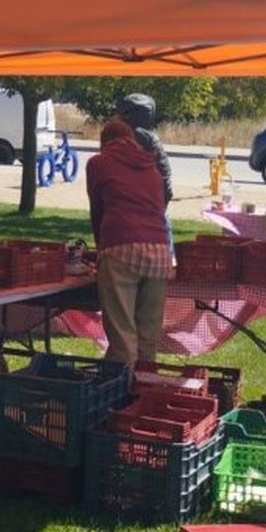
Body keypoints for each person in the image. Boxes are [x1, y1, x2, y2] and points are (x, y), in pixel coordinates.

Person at [85, 118, 171, 370]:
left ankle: (121, 395)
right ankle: (144, 394)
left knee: (122, 336)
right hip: (159, 251)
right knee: (148, 335)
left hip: (120, 248)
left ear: (104, 142)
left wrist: (100, 249)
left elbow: (97, 211)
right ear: (132, 140)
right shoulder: (151, 166)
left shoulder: (98, 163)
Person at [117, 92, 173, 204]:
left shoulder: (125, 136)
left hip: (133, 206)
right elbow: (165, 183)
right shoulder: (149, 140)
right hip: (147, 206)